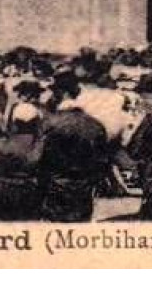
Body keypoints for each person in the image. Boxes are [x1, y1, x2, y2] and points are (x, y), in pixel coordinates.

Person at [37, 90, 110, 222]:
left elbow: (41, 156)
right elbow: (102, 159)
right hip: (84, 185)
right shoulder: (96, 125)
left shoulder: (50, 123)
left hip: (56, 184)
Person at [0, 103, 44, 221]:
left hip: (5, 192)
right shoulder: (41, 145)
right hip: (31, 193)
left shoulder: (1, 145)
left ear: (14, 122)